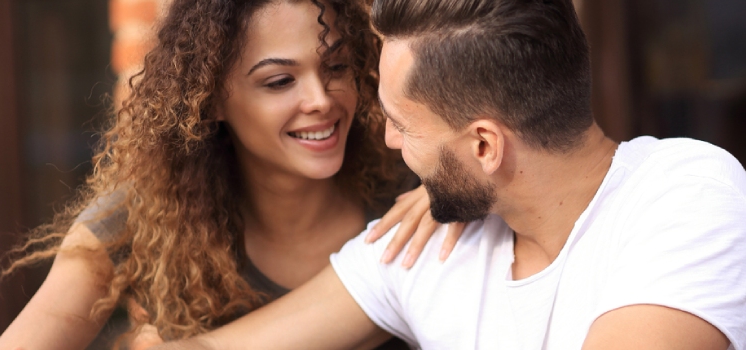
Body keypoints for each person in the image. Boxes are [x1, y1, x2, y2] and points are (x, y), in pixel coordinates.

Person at [149, 0, 746, 349]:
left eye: (404, 126)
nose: (385, 141)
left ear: (484, 145)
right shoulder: (429, 243)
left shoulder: (686, 193)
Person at [0, 1, 465, 349]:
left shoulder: (413, 190)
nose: (321, 99)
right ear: (211, 98)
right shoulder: (140, 215)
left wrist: (458, 191)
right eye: (279, 81)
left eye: (336, 66)